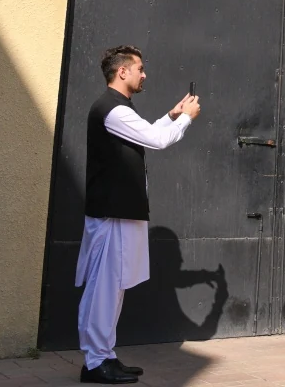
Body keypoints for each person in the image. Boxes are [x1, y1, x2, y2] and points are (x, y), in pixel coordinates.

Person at [75, 46, 201, 383]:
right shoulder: (111, 109)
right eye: (140, 69)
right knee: (104, 288)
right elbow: (156, 140)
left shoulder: (118, 110)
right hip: (111, 213)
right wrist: (187, 117)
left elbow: (147, 132)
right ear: (122, 72)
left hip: (120, 211)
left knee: (113, 286)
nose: (144, 74)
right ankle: (95, 362)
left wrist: (172, 116)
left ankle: (104, 356)